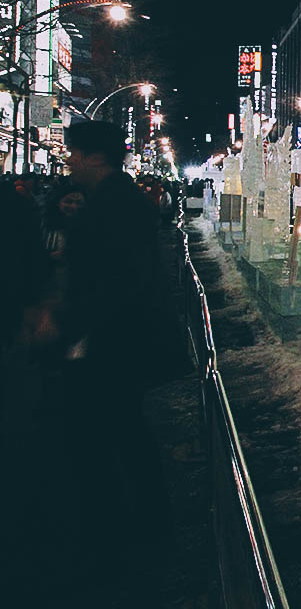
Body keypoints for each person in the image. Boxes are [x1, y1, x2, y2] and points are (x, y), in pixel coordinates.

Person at [49, 121, 176, 600]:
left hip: (114, 344)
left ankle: (118, 545)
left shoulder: (117, 205)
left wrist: (65, 319)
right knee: (122, 433)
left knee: (107, 437)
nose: (68, 161)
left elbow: (121, 282)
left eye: (73, 154)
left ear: (95, 156)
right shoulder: (117, 200)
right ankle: (135, 530)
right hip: (114, 341)